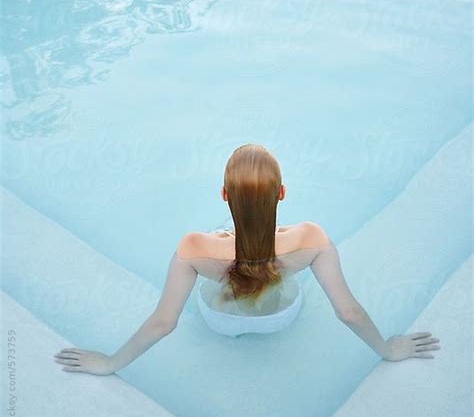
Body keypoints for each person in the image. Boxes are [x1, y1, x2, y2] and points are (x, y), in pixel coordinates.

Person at [53, 143, 441, 375]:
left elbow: (163, 323)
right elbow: (349, 312)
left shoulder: (194, 247)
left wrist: (108, 364)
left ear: (223, 194)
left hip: (220, 321)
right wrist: (389, 350)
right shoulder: (311, 239)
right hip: (282, 317)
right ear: (282, 193)